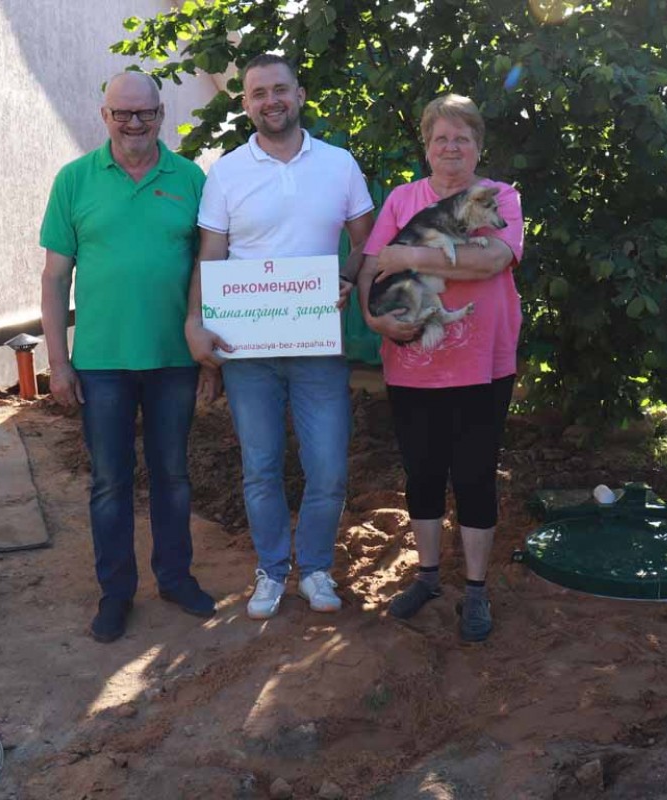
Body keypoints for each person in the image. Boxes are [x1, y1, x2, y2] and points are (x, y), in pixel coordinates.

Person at [186, 54, 375, 620]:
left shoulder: (339, 164)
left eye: (280, 89)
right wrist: (196, 322)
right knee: (261, 469)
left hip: (318, 347)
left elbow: (367, 239)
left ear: (299, 94)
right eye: (258, 93)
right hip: (249, 353)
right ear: (245, 103)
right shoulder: (226, 173)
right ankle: (271, 570)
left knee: (328, 469)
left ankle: (315, 568)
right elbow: (211, 255)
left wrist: (347, 278)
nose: (271, 101)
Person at [40, 71, 217, 644]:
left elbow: (209, 267)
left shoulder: (191, 179)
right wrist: (58, 362)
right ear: (105, 116)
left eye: (145, 113)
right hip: (101, 363)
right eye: (123, 113)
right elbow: (54, 277)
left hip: (174, 359)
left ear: (162, 114)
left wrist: (208, 358)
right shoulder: (74, 180)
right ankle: (115, 593)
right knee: (110, 483)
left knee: (173, 476)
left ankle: (175, 578)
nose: (134, 123)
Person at [357, 94, 525, 643]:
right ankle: (427, 578)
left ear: (478, 147)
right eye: (441, 139)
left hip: (483, 364)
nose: (451, 148)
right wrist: (374, 319)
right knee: (422, 473)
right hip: (413, 364)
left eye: (462, 139)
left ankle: (475, 590)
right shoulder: (402, 199)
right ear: (427, 147)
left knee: (475, 475)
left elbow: (491, 260)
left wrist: (409, 256)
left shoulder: (500, 196)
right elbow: (371, 266)